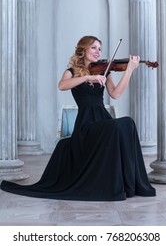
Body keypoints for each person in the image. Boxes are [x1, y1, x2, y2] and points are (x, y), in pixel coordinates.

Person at [0, 35, 156, 201]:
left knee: (127, 123)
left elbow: (116, 94)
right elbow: (62, 86)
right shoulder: (71, 72)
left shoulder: (104, 70)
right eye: (94, 47)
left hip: (103, 119)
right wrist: (89, 77)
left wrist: (130, 70)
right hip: (86, 124)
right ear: (83, 50)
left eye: (100, 48)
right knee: (120, 126)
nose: (98, 52)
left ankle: (131, 184)